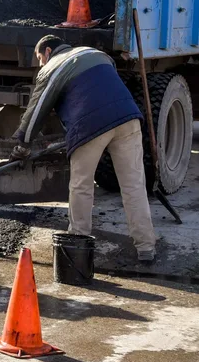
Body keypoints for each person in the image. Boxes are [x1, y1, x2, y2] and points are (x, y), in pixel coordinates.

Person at [10, 35, 156, 262]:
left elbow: (37, 109)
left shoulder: (53, 67)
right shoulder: (96, 54)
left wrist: (23, 143)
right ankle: (146, 248)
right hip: (128, 118)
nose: (40, 64)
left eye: (40, 58)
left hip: (90, 126)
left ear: (47, 52)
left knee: (81, 185)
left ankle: (78, 243)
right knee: (134, 186)